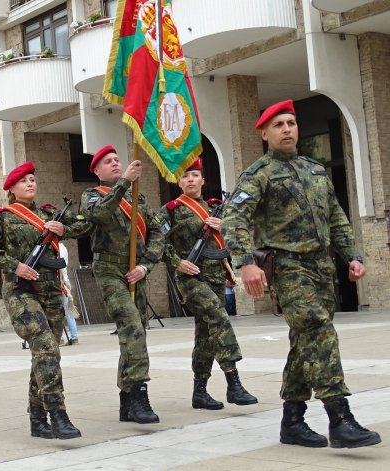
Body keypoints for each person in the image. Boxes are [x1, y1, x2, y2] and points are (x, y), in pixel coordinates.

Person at [222, 99, 381, 449]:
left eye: (291, 123)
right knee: (319, 333)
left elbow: (336, 218)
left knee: (305, 341)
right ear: (264, 133)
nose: (287, 129)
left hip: (322, 268)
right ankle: (340, 418)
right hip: (289, 268)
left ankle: (291, 421)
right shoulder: (258, 174)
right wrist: (245, 263)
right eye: (279, 125)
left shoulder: (315, 170)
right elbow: (234, 220)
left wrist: (352, 255)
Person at [0, 161, 88, 439]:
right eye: (24, 181)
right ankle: (58, 414)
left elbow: (84, 225)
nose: (31, 184)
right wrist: (14, 265)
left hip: (50, 292)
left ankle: (37, 419)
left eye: (33, 179)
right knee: (48, 348)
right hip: (21, 291)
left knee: (45, 355)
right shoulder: (2, 217)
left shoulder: (49, 213)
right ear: (12, 188)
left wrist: (62, 228)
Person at [157, 157, 257, 410]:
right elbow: (155, 242)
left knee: (206, 335)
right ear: (178, 182)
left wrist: (223, 227)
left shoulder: (217, 208)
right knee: (219, 318)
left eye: (194, 175)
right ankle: (233, 382)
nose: (190, 180)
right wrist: (176, 262)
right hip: (190, 278)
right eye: (185, 176)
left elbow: (240, 232)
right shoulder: (171, 210)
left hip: (214, 277)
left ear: (203, 179)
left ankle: (199, 391)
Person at [79, 145, 165, 424]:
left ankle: (126, 400)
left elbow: (157, 233)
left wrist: (145, 265)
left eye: (118, 160)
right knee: (132, 327)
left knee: (134, 336)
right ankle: (140, 395)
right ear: (97, 171)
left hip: (135, 271)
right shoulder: (91, 196)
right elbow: (99, 216)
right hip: (108, 270)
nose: (115, 164)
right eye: (108, 161)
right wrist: (125, 181)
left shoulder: (137, 197)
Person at [58, 243, 79, 347]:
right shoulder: (63, 247)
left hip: (60, 282)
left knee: (57, 311)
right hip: (65, 281)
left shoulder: (57, 247)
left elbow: (59, 265)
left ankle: (60, 338)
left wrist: (60, 281)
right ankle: (74, 338)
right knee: (68, 311)